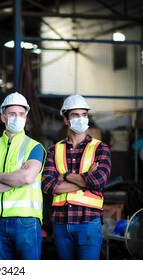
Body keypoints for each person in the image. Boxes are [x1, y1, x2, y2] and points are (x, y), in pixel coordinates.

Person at [42, 94, 111, 260]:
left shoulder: (100, 148)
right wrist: (85, 180)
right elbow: (48, 185)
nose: (81, 119)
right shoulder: (53, 150)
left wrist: (65, 176)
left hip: (88, 222)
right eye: (75, 115)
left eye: (84, 114)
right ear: (66, 120)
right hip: (60, 223)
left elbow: (98, 181)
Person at [0, 92, 46, 260]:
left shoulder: (34, 147)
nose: (17, 118)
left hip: (26, 222)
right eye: (12, 114)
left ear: (26, 117)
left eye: (21, 114)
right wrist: (15, 179)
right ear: (3, 117)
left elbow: (27, 178)